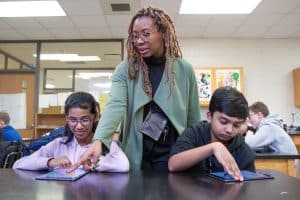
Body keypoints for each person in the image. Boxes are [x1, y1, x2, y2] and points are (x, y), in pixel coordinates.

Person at [69, 6, 200, 172]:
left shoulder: (184, 70)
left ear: (163, 33)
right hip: (136, 151)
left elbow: (193, 117)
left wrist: (195, 152)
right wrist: (99, 141)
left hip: (173, 152)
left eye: (146, 34)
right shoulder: (126, 69)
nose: (139, 41)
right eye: (135, 36)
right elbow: (115, 105)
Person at [13, 91, 129, 172]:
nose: (79, 126)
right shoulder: (59, 144)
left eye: (85, 119)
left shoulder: (103, 144)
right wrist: (50, 162)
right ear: (66, 118)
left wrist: (95, 164)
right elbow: (18, 164)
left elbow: (123, 166)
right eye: (73, 120)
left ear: (95, 117)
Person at [168, 87, 255, 181]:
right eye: (223, 121)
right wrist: (213, 148)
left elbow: (247, 187)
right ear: (210, 116)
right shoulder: (195, 133)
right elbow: (173, 164)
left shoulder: (244, 151)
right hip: (190, 194)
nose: (229, 130)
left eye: (236, 125)